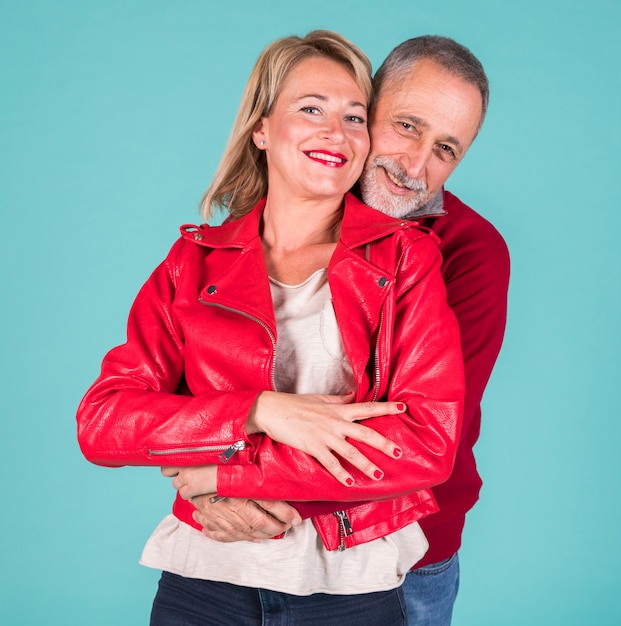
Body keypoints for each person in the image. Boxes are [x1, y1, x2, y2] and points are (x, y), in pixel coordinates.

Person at [76, 30, 465, 625]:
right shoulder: (193, 262)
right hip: (202, 582)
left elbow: (427, 443)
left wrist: (229, 472)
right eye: (311, 108)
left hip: (348, 590)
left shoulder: (406, 258)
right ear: (262, 129)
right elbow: (105, 421)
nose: (335, 131)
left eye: (354, 117)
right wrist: (259, 409)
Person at [190, 35, 510, 626]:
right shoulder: (269, 226)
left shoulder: (470, 249)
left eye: (446, 148)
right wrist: (206, 467)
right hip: (241, 549)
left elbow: (417, 432)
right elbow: (199, 395)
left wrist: (224, 477)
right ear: (361, 111)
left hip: (396, 550)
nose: (415, 166)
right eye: (406, 126)